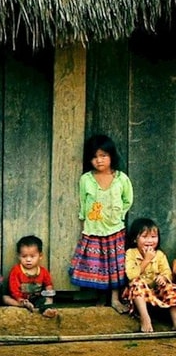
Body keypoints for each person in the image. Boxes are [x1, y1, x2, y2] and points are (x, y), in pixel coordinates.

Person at [69, 133, 131, 311]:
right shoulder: (86, 179)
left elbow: (128, 200)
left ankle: (114, 299)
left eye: (103, 156)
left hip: (115, 229)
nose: (99, 161)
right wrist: (85, 221)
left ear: (111, 156)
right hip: (94, 229)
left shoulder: (121, 179)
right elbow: (83, 202)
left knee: (115, 265)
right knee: (99, 266)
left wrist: (118, 215)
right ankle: (101, 299)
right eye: (95, 157)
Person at [123, 216, 175, 333]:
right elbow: (131, 275)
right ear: (135, 239)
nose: (150, 241)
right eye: (144, 237)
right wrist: (146, 260)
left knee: (171, 287)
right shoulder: (131, 253)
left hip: (156, 295)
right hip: (138, 297)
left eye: (153, 237)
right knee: (137, 283)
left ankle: (175, 322)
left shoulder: (160, 254)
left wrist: (163, 277)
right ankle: (145, 319)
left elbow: (167, 272)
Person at [4, 235, 59, 317]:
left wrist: (49, 294)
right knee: (5, 298)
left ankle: (46, 309)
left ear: (40, 256)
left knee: (47, 299)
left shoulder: (43, 271)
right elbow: (13, 288)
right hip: (19, 298)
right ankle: (23, 305)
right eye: (24, 256)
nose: (28, 260)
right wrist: (21, 300)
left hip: (36, 298)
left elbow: (48, 285)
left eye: (32, 256)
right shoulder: (16, 271)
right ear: (19, 256)